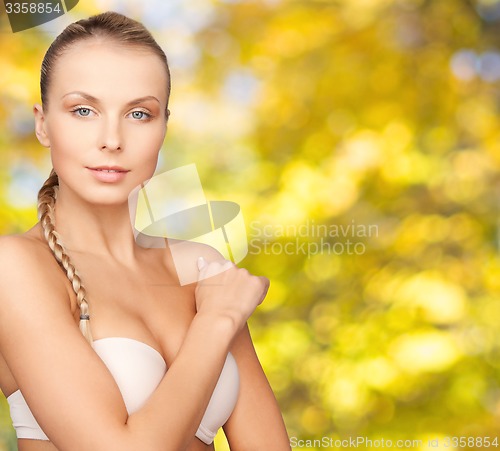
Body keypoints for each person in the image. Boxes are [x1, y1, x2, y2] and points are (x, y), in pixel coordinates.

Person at [0, 11, 290, 451]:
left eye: (138, 113)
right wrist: (216, 321)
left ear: (163, 127)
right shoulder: (16, 268)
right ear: (43, 123)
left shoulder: (201, 267)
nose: (112, 139)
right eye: (83, 110)